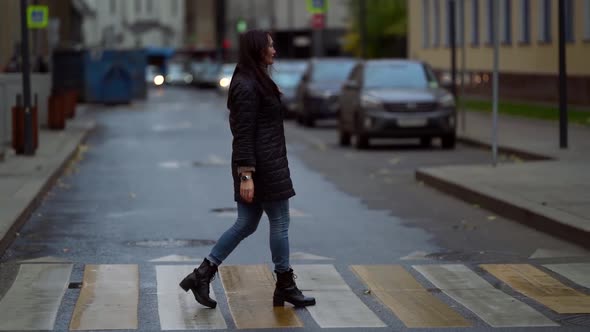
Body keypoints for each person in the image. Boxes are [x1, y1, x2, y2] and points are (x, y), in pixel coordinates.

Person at [179, 30, 316, 309]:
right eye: (270, 45)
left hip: (264, 163)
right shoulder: (246, 85)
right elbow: (242, 133)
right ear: (257, 50)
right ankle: (285, 285)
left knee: (246, 223)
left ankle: (201, 275)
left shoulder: (255, 80)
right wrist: (246, 175)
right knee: (279, 222)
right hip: (260, 166)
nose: (274, 50)